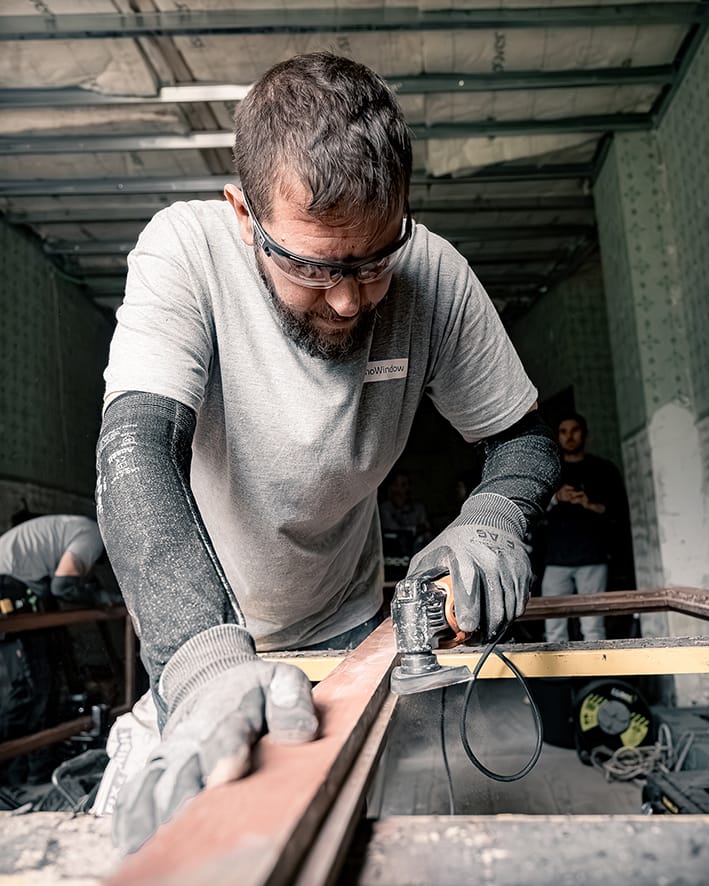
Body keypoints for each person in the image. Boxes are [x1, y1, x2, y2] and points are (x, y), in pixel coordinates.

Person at [95, 52, 560, 853]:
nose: (349, 298)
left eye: (374, 260)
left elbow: (522, 438)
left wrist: (491, 518)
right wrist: (206, 669)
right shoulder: (186, 250)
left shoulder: (432, 275)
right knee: (208, 847)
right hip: (208, 638)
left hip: (348, 632)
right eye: (314, 266)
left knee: (344, 843)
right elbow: (134, 451)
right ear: (244, 215)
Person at [0, 515, 106, 784]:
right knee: (28, 684)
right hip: (8, 588)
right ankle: (19, 776)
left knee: (34, 681)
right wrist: (103, 599)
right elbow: (63, 585)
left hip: (16, 586)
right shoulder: (93, 535)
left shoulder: (72, 528)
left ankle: (28, 770)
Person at [541, 413, 631, 643]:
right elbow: (531, 510)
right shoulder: (550, 471)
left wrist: (588, 503)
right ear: (558, 437)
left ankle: (595, 676)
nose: (569, 437)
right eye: (563, 432)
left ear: (585, 434)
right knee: (553, 625)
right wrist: (556, 497)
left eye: (574, 430)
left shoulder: (603, 470)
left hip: (593, 556)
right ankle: (559, 678)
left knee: (593, 625)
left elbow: (618, 511)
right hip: (555, 558)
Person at [379, 469, 432, 579]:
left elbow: (427, 533)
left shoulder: (418, 508)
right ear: (392, 487)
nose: (406, 489)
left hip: (417, 561)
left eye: (407, 485)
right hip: (392, 561)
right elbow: (392, 530)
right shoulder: (385, 508)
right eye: (401, 485)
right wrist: (413, 530)